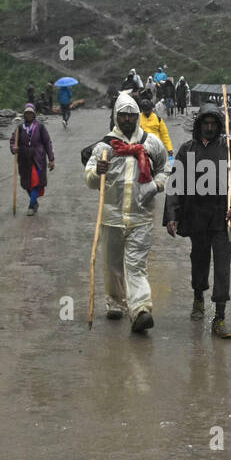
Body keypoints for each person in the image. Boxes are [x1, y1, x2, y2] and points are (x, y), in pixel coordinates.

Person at [85, 92, 169, 333]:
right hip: (111, 217)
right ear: (115, 116)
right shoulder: (106, 146)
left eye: (131, 115)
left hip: (141, 216)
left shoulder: (151, 143)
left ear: (137, 117)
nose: (127, 119)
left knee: (136, 265)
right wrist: (96, 172)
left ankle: (141, 309)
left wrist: (155, 185)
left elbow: (166, 168)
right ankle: (115, 302)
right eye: (122, 115)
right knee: (112, 264)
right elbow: (90, 179)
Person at [164, 104, 231, 338]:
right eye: (205, 123)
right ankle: (198, 298)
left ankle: (219, 317)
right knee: (199, 261)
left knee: (222, 267)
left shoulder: (229, 149)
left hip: (223, 218)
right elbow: (175, 184)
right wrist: (172, 214)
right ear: (199, 125)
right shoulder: (187, 150)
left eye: (213, 124)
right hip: (197, 216)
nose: (209, 128)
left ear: (219, 125)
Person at [11, 104, 54, 215]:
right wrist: (14, 148)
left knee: (36, 182)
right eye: (27, 113)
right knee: (27, 184)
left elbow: (47, 142)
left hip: (38, 159)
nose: (29, 115)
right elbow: (13, 140)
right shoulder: (20, 128)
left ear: (34, 114)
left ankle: (31, 205)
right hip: (24, 160)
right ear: (24, 115)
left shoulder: (40, 127)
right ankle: (34, 201)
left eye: (31, 113)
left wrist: (51, 159)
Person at [137, 95, 174, 162]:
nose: (147, 112)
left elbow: (164, 135)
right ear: (142, 110)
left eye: (149, 110)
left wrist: (169, 148)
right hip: (142, 148)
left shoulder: (158, 119)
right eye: (145, 110)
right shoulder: (137, 119)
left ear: (152, 109)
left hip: (156, 148)